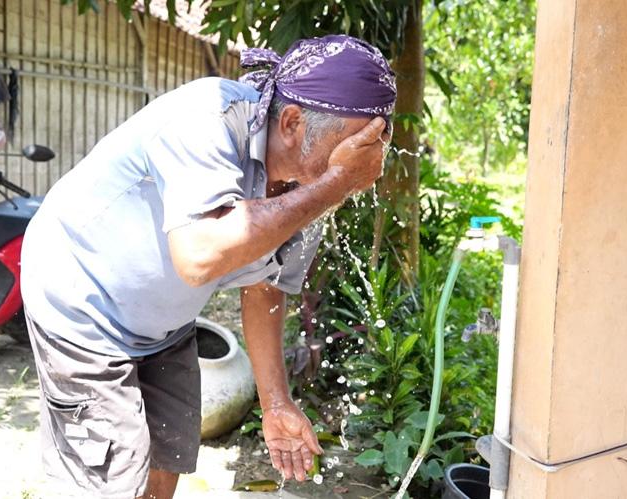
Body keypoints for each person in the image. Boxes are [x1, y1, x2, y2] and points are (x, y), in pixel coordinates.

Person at [20, 34, 396, 499]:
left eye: (370, 150)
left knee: (166, 459)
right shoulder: (206, 118)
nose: (362, 169)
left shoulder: (309, 187)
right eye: (352, 149)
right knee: (113, 476)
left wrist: (276, 403)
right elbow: (199, 256)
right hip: (80, 296)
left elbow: (265, 287)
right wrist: (334, 183)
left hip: (162, 321)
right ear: (293, 122)